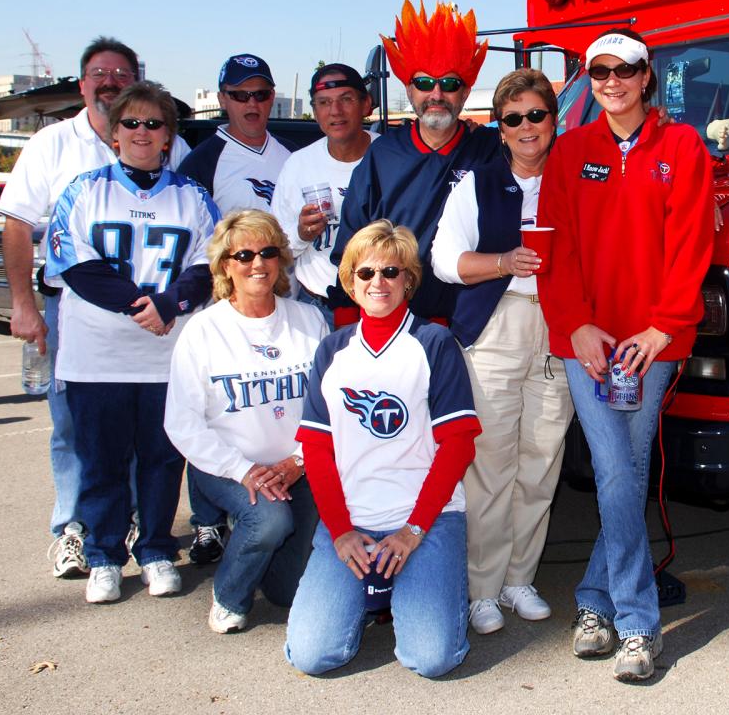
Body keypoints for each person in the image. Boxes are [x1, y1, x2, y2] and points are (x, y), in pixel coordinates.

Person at [537, 29, 715, 682]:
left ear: (647, 77)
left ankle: (597, 604)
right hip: (587, 346)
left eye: (625, 69)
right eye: (599, 70)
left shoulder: (683, 147)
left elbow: (692, 243)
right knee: (617, 470)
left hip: (650, 346)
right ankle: (639, 624)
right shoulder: (571, 151)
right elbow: (556, 249)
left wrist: (663, 330)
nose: (611, 81)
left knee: (621, 475)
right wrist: (577, 326)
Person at [0, 37, 190, 579]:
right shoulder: (53, 143)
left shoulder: (166, 158)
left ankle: (133, 530)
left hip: (158, 324)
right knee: (74, 431)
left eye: (120, 73)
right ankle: (74, 531)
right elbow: (18, 225)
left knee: (147, 437)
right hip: (73, 310)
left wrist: (167, 302)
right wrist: (23, 304)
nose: (108, 81)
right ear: (81, 83)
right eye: (98, 73)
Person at [44, 81, 219, 604]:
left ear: (169, 136)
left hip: (168, 356)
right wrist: (137, 303)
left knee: (163, 460)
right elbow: (72, 261)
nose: (142, 133)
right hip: (97, 355)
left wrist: (170, 304)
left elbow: (209, 262)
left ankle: (157, 550)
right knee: (102, 459)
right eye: (131, 124)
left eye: (154, 124)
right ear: (114, 133)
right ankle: (102, 556)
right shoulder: (83, 189)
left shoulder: (192, 197)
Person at [285, 221, 481, 677]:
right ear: (350, 282)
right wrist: (339, 531)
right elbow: (315, 449)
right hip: (352, 521)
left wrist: (413, 530)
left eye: (391, 271)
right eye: (366, 272)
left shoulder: (434, 343)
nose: (379, 282)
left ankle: (415, 585)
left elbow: (457, 446)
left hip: (424, 520)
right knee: (313, 656)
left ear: (408, 280)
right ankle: (383, 592)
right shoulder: (332, 350)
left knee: (431, 659)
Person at [430, 69, 573, 636]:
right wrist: (503, 263)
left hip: (561, 326)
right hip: (497, 324)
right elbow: (444, 260)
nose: (526, 127)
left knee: (543, 460)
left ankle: (520, 578)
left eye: (536, 115)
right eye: (513, 119)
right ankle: (482, 589)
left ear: (552, 121)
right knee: (490, 463)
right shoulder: (478, 183)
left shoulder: (576, 178)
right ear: (500, 128)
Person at [164, 210, 326, 634]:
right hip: (228, 467)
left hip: (297, 467)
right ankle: (229, 595)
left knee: (288, 593)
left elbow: (330, 408)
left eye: (268, 251)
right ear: (224, 266)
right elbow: (181, 423)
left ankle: (264, 564)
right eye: (244, 254)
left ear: (281, 259)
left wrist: (298, 462)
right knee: (271, 520)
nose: (258, 263)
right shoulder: (203, 330)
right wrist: (245, 471)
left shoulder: (308, 320)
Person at [178, 52, 293, 563]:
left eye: (261, 93)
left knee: (263, 402)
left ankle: (269, 485)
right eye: (240, 95)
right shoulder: (203, 159)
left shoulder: (289, 154)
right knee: (211, 405)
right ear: (222, 99)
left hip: (281, 291)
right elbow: (192, 238)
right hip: (223, 295)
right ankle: (205, 520)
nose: (251, 103)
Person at [331, 0, 501, 322]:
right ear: (409, 90)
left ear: (465, 94)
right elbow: (351, 245)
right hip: (394, 321)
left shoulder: (490, 149)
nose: (436, 94)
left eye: (450, 84)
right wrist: (346, 321)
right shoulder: (382, 155)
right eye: (424, 83)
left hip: (471, 325)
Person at [271, 64, 375, 327]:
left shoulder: (391, 155)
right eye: (324, 102)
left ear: (366, 104)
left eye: (346, 99)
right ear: (315, 112)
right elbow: (276, 245)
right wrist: (301, 234)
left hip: (383, 303)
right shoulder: (298, 165)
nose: (335, 111)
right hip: (319, 307)